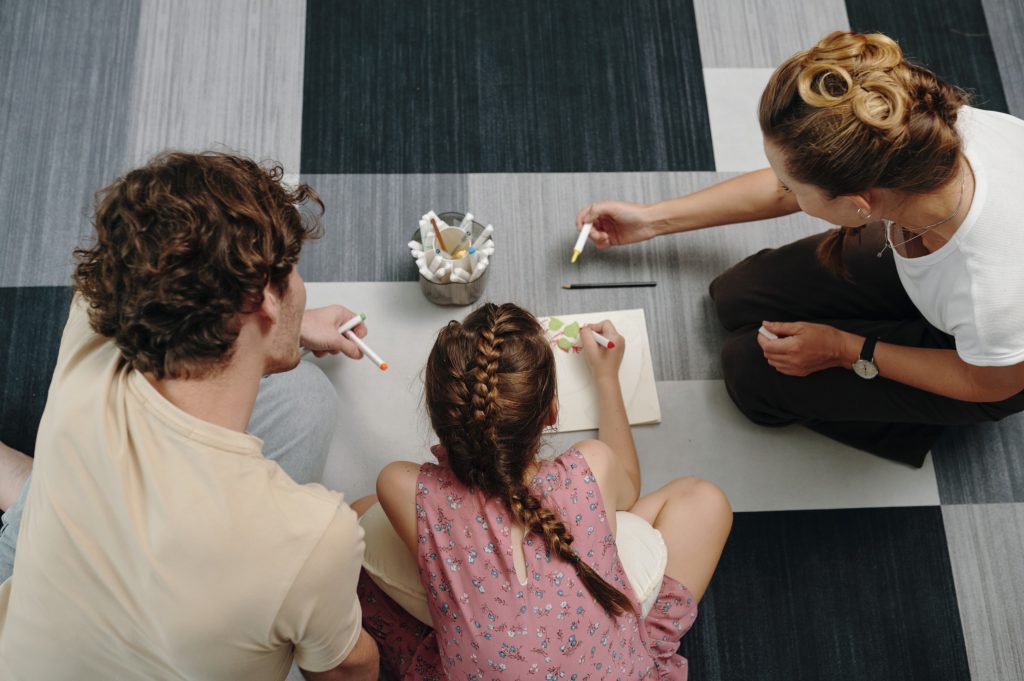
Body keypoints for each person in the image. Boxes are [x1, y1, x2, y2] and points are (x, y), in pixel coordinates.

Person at [0, 152, 379, 680]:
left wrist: (288, 330)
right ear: (264, 301)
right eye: (291, 274)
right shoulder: (313, 535)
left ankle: (35, 490)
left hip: (27, 630)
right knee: (309, 405)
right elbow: (348, 672)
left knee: (304, 395)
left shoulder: (93, 322)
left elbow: (157, 243)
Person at [576, 30, 1024, 466]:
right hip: (931, 255)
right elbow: (789, 184)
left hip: (988, 364)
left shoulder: (995, 291)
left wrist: (847, 349)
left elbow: (988, 382)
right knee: (735, 295)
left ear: (858, 205)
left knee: (749, 375)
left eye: (792, 187)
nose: (784, 189)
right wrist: (653, 220)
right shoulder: (928, 133)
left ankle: (908, 420)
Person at [353, 303, 732, 679]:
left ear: (439, 417)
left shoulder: (402, 485)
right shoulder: (592, 466)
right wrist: (606, 379)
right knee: (702, 500)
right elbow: (629, 487)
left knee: (359, 516)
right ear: (551, 412)